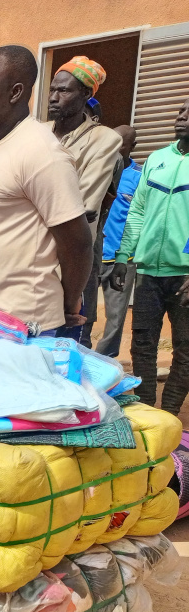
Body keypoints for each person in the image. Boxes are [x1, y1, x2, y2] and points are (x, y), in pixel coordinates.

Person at [0, 45, 93, 336]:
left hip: (23, 327)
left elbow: (77, 241)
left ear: (15, 92)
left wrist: (68, 302)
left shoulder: (40, 151)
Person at [114, 97, 189, 414]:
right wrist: (123, 256)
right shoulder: (157, 159)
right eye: (181, 110)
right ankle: (145, 409)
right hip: (147, 274)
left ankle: (169, 413)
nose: (181, 116)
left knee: (185, 351)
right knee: (142, 345)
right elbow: (138, 211)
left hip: (185, 277)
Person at [46, 57, 123, 342]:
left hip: (70, 258)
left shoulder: (103, 140)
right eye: (52, 89)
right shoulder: (36, 133)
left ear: (86, 94)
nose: (54, 98)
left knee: (69, 343)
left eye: (64, 91)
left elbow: (85, 204)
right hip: (27, 261)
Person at [97, 125, 140, 357]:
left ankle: (104, 363)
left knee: (115, 318)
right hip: (93, 255)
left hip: (121, 259)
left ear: (132, 147)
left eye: (120, 142)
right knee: (81, 313)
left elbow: (141, 216)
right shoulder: (98, 168)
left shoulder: (139, 178)